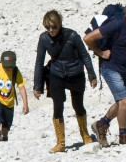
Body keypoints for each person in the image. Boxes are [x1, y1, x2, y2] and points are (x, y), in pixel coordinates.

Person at [84, 0, 126, 147]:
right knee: (124, 101)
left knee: (121, 104)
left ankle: (101, 124)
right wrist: (101, 52)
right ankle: (123, 135)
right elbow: (88, 38)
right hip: (110, 67)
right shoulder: (116, 24)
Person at [33, 9, 98, 152]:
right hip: (56, 74)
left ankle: (85, 135)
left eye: (54, 27)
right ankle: (60, 143)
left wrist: (92, 75)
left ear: (60, 24)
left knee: (78, 105)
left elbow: (85, 56)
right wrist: (37, 85)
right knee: (57, 106)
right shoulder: (44, 39)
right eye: (48, 27)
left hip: (76, 73)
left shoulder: (72, 35)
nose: (51, 30)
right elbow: (39, 63)